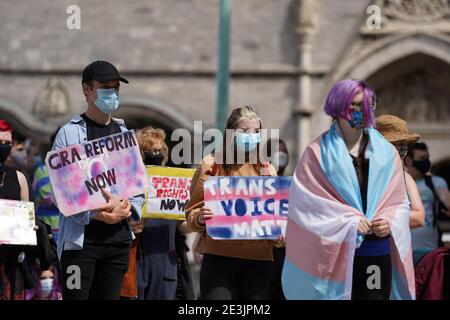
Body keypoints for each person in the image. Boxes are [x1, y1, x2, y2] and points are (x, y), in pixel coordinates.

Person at [282, 79, 415, 300]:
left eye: (369, 104)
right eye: (355, 105)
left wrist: (389, 221)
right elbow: (306, 205)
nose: (363, 111)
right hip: (333, 256)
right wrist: (349, 221)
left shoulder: (388, 153)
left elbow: (399, 203)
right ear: (339, 106)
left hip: (375, 252)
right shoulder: (315, 154)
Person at [52, 61, 145, 300]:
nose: (112, 93)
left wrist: (127, 209)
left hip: (118, 244)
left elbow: (137, 185)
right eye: (105, 87)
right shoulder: (69, 133)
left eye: (115, 88)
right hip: (81, 245)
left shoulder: (124, 134)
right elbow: (61, 191)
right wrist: (98, 214)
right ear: (87, 90)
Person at [185, 106, 282, 300]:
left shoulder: (267, 170)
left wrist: (279, 232)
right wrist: (201, 218)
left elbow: (276, 224)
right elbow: (191, 214)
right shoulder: (212, 165)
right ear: (231, 133)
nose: (251, 136)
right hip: (218, 260)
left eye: (256, 132)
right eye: (245, 131)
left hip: (258, 262)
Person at [130, 127, 193, 300]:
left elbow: (183, 226)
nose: (155, 154)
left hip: (166, 261)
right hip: (138, 259)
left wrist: (198, 221)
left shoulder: (173, 183)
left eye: (159, 150)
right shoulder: (130, 183)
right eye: (149, 151)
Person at [376, 115, 425, 229]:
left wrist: (388, 221)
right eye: (396, 145)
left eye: (403, 145)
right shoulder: (360, 175)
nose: (401, 150)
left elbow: (419, 217)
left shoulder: (405, 178)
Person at [0, 120, 32, 300]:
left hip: (11, 263)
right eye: (0, 142)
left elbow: (27, 219)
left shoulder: (18, 178)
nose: (4, 147)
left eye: (7, 144)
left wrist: (29, 227)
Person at [404, 142, 450, 264]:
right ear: (408, 160)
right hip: (402, 250)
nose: (426, 162)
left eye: (427, 158)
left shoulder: (435, 182)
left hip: (429, 252)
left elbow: (447, 200)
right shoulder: (399, 182)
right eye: (422, 158)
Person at [265, 138, 289, 300]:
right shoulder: (253, 185)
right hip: (264, 253)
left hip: (287, 255)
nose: (280, 156)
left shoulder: (295, 185)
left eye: (283, 153)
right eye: (276, 152)